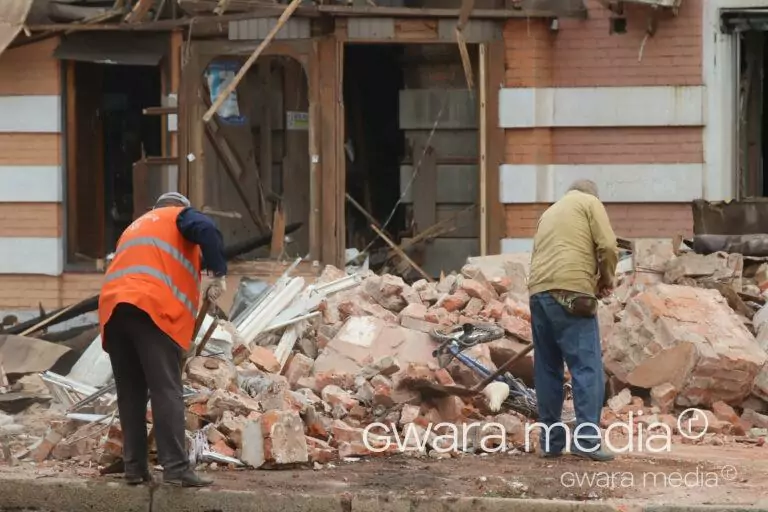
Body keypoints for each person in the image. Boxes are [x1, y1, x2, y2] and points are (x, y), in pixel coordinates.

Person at [98, 192, 228, 487]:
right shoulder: (178, 216)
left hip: (113, 312)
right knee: (166, 388)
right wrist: (218, 273)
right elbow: (207, 229)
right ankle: (176, 468)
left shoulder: (135, 228)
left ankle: (135, 468)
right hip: (150, 308)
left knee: (130, 393)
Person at [527, 179, 618, 461]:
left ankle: (551, 443)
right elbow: (608, 246)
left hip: (538, 293)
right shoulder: (590, 203)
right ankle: (587, 440)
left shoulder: (549, 212)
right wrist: (606, 280)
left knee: (547, 369)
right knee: (586, 367)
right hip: (571, 293)